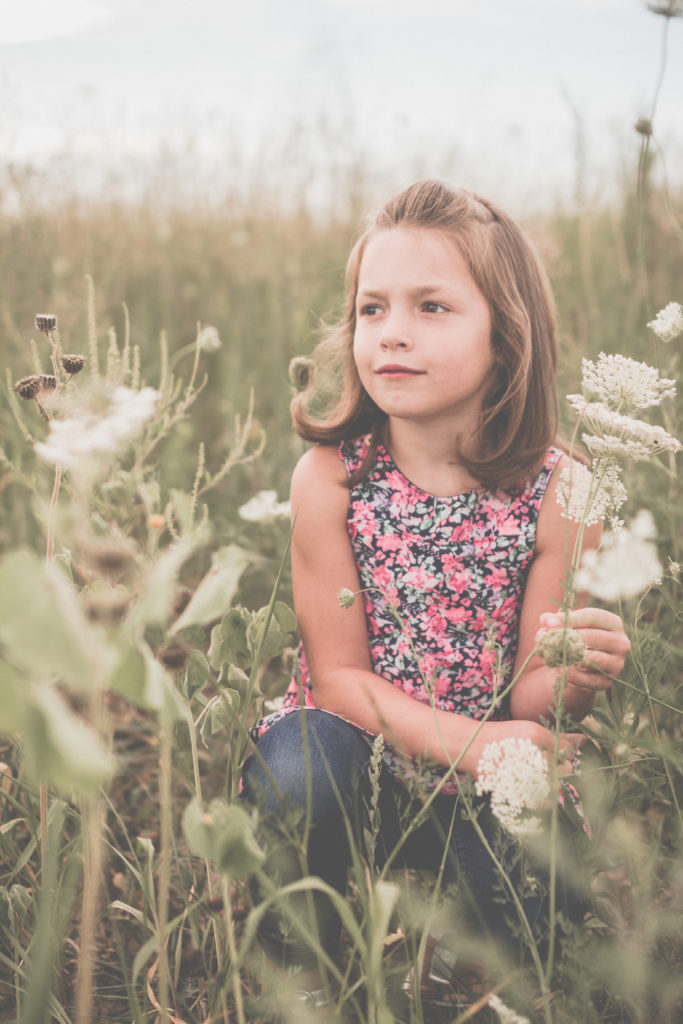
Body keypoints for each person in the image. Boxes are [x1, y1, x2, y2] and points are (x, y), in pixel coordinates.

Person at [240, 180, 630, 1020]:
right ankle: (303, 974)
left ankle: (467, 978)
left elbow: (537, 699)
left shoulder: (567, 490)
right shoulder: (332, 476)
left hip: (499, 777)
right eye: (372, 309)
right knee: (292, 775)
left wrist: (580, 674)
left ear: (506, 333)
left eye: (432, 307)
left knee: (545, 868)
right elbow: (337, 680)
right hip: (360, 758)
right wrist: (472, 744)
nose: (393, 334)